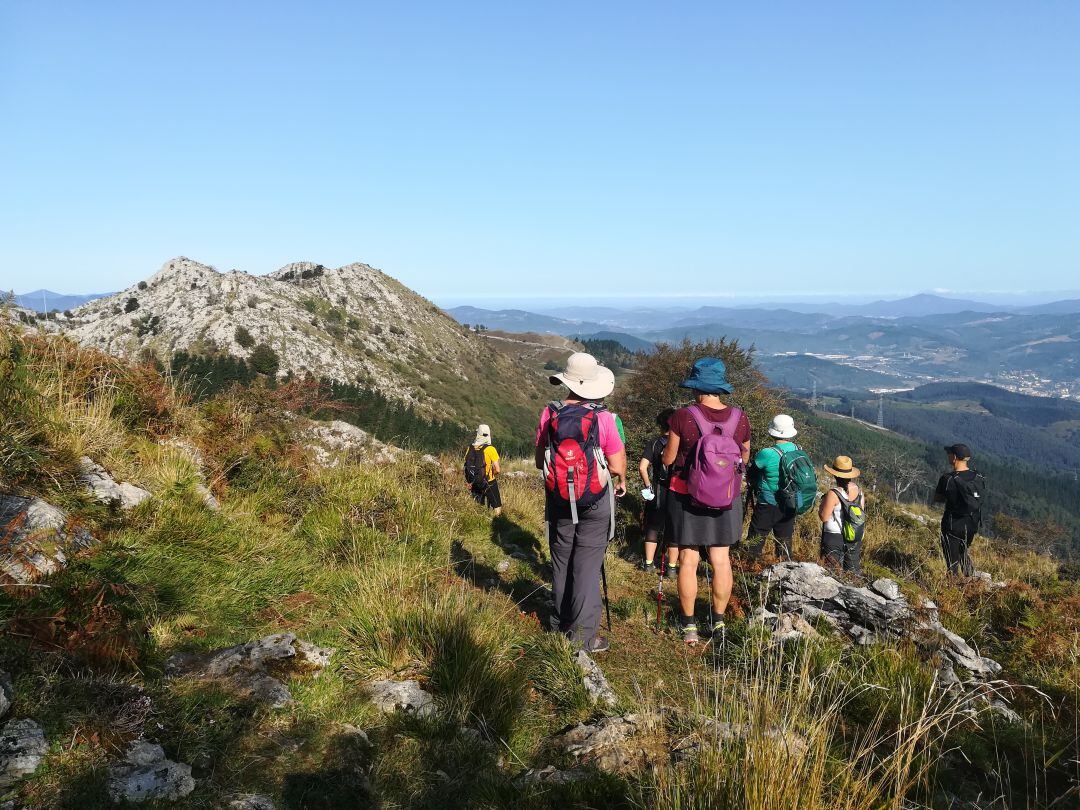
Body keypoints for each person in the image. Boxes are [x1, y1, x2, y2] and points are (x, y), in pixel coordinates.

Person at [535, 352, 627, 653]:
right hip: (595, 501)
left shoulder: (550, 412)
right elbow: (616, 465)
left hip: (560, 498)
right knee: (586, 566)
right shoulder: (603, 417)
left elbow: (540, 459)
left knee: (561, 559)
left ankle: (559, 621)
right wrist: (620, 481)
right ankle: (584, 637)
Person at [661, 358, 751, 646]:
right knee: (721, 560)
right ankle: (718, 621)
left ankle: (689, 627)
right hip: (726, 498)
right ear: (719, 387)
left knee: (688, 559)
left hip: (686, 496)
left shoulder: (682, 417)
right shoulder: (740, 418)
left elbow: (669, 459)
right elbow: (744, 457)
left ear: (696, 386)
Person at [745, 414, 801, 560]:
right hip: (790, 502)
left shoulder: (767, 453)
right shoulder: (798, 450)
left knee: (755, 539)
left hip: (768, 503)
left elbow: (751, 472)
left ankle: (749, 570)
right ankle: (786, 572)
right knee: (784, 541)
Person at [933, 444, 985, 578]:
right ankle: (971, 581)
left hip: (952, 525)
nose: (948, 456)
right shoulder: (978, 476)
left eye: (949, 454)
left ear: (954, 457)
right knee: (963, 551)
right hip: (972, 524)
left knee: (952, 563)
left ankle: (952, 590)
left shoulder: (947, 478)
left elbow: (938, 498)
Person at [639, 408, 678, 577]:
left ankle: (648, 564)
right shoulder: (680, 443)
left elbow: (642, 467)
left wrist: (648, 486)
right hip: (677, 492)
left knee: (653, 527)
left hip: (657, 491)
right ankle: (671, 567)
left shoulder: (654, 442)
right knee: (674, 529)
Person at [819, 455, 866, 573]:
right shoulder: (860, 492)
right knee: (852, 571)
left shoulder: (833, 493)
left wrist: (821, 506)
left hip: (834, 536)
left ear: (834, 474)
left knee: (832, 571)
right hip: (854, 536)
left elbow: (824, 517)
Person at [464, 424, 502, 516]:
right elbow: (497, 470)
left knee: (478, 505)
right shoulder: (490, 449)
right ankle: (499, 523)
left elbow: (466, 464)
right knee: (496, 505)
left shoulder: (470, 448)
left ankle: (478, 521)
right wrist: (491, 475)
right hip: (489, 481)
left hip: (474, 481)